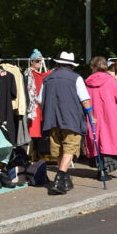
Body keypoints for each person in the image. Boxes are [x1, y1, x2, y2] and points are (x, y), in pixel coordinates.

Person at [38, 52, 91, 195]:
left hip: (51, 119)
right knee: (69, 148)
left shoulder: (47, 78)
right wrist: (91, 115)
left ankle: (66, 179)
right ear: (71, 66)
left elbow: (40, 101)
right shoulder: (76, 78)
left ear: (58, 63)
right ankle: (59, 179)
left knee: (58, 149)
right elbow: (85, 100)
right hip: (71, 119)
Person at [84, 57, 117, 177]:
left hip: (93, 114)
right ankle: (106, 169)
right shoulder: (111, 80)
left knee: (97, 139)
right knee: (109, 139)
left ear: (93, 67)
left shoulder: (87, 82)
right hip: (110, 115)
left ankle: (100, 168)